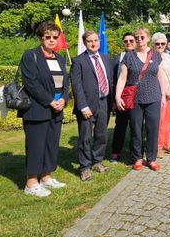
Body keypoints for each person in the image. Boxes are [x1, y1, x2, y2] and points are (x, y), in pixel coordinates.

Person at [20, 21, 69, 197]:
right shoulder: (30, 56)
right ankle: (31, 182)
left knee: (51, 144)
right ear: (41, 37)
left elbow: (65, 82)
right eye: (47, 37)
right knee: (36, 145)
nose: (51, 40)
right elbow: (31, 83)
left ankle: (46, 177)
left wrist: (63, 98)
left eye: (55, 37)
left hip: (57, 109)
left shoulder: (60, 58)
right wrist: (50, 101)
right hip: (37, 109)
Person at [115, 27, 164, 172]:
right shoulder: (129, 56)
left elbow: (160, 76)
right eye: (137, 37)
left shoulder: (155, 55)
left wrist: (163, 96)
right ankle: (137, 158)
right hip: (135, 98)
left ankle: (151, 159)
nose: (139, 40)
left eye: (142, 37)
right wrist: (118, 96)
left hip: (154, 97)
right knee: (136, 129)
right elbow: (122, 77)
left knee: (152, 129)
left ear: (148, 38)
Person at [71, 30, 113, 181]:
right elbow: (76, 86)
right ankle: (84, 167)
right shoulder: (78, 61)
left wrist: (112, 101)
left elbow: (110, 80)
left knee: (101, 135)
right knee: (85, 138)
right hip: (87, 106)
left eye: (96, 40)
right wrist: (83, 106)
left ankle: (97, 161)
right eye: (90, 41)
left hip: (104, 103)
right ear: (85, 43)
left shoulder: (106, 58)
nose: (94, 43)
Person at [109, 33, 135, 163]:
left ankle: (133, 150)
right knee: (120, 125)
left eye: (131, 40)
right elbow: (113, 79)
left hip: (136, 96)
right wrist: (114, 99)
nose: (129, 43)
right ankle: (115, 151)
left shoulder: (140, 55)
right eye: (126, 41)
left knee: (136, 125)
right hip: (122, 96)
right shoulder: (117, 58)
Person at [154, 33, 170, 158]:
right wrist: (164, 93)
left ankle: (166, 142)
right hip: (158, 94)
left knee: (169, 119)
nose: (160, 46)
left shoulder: (168, 57)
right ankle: (157, 146)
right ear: (153, 44)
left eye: (163, 43)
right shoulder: (151, 57)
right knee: (159, 121)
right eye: (157, 43)